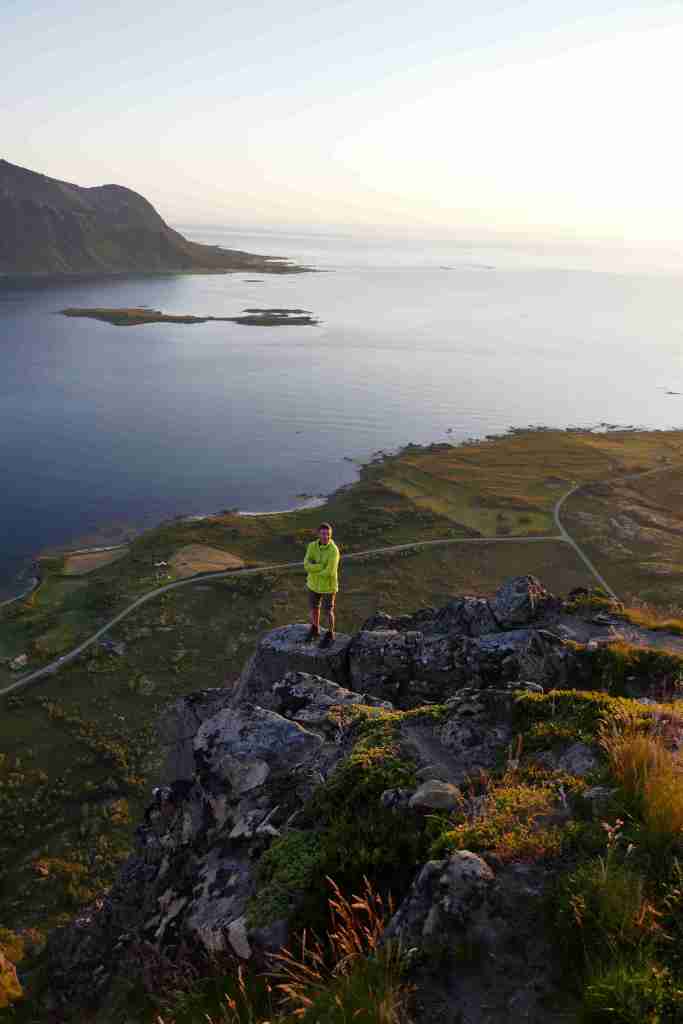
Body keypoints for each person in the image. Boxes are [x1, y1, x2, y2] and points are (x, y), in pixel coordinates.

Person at [303, 522, 340, 646]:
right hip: (313, 585)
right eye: (323, 534)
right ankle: (315, 629)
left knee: (328, 611)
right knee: (314, 608)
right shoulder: (312, 546)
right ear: (318, 534)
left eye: (328, 534)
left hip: (328, 586)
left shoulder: (334, 551)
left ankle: (330, 633)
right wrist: (320, 567)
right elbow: (306, 565)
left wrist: (313, 569)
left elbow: (329, 572)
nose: (326, 536)